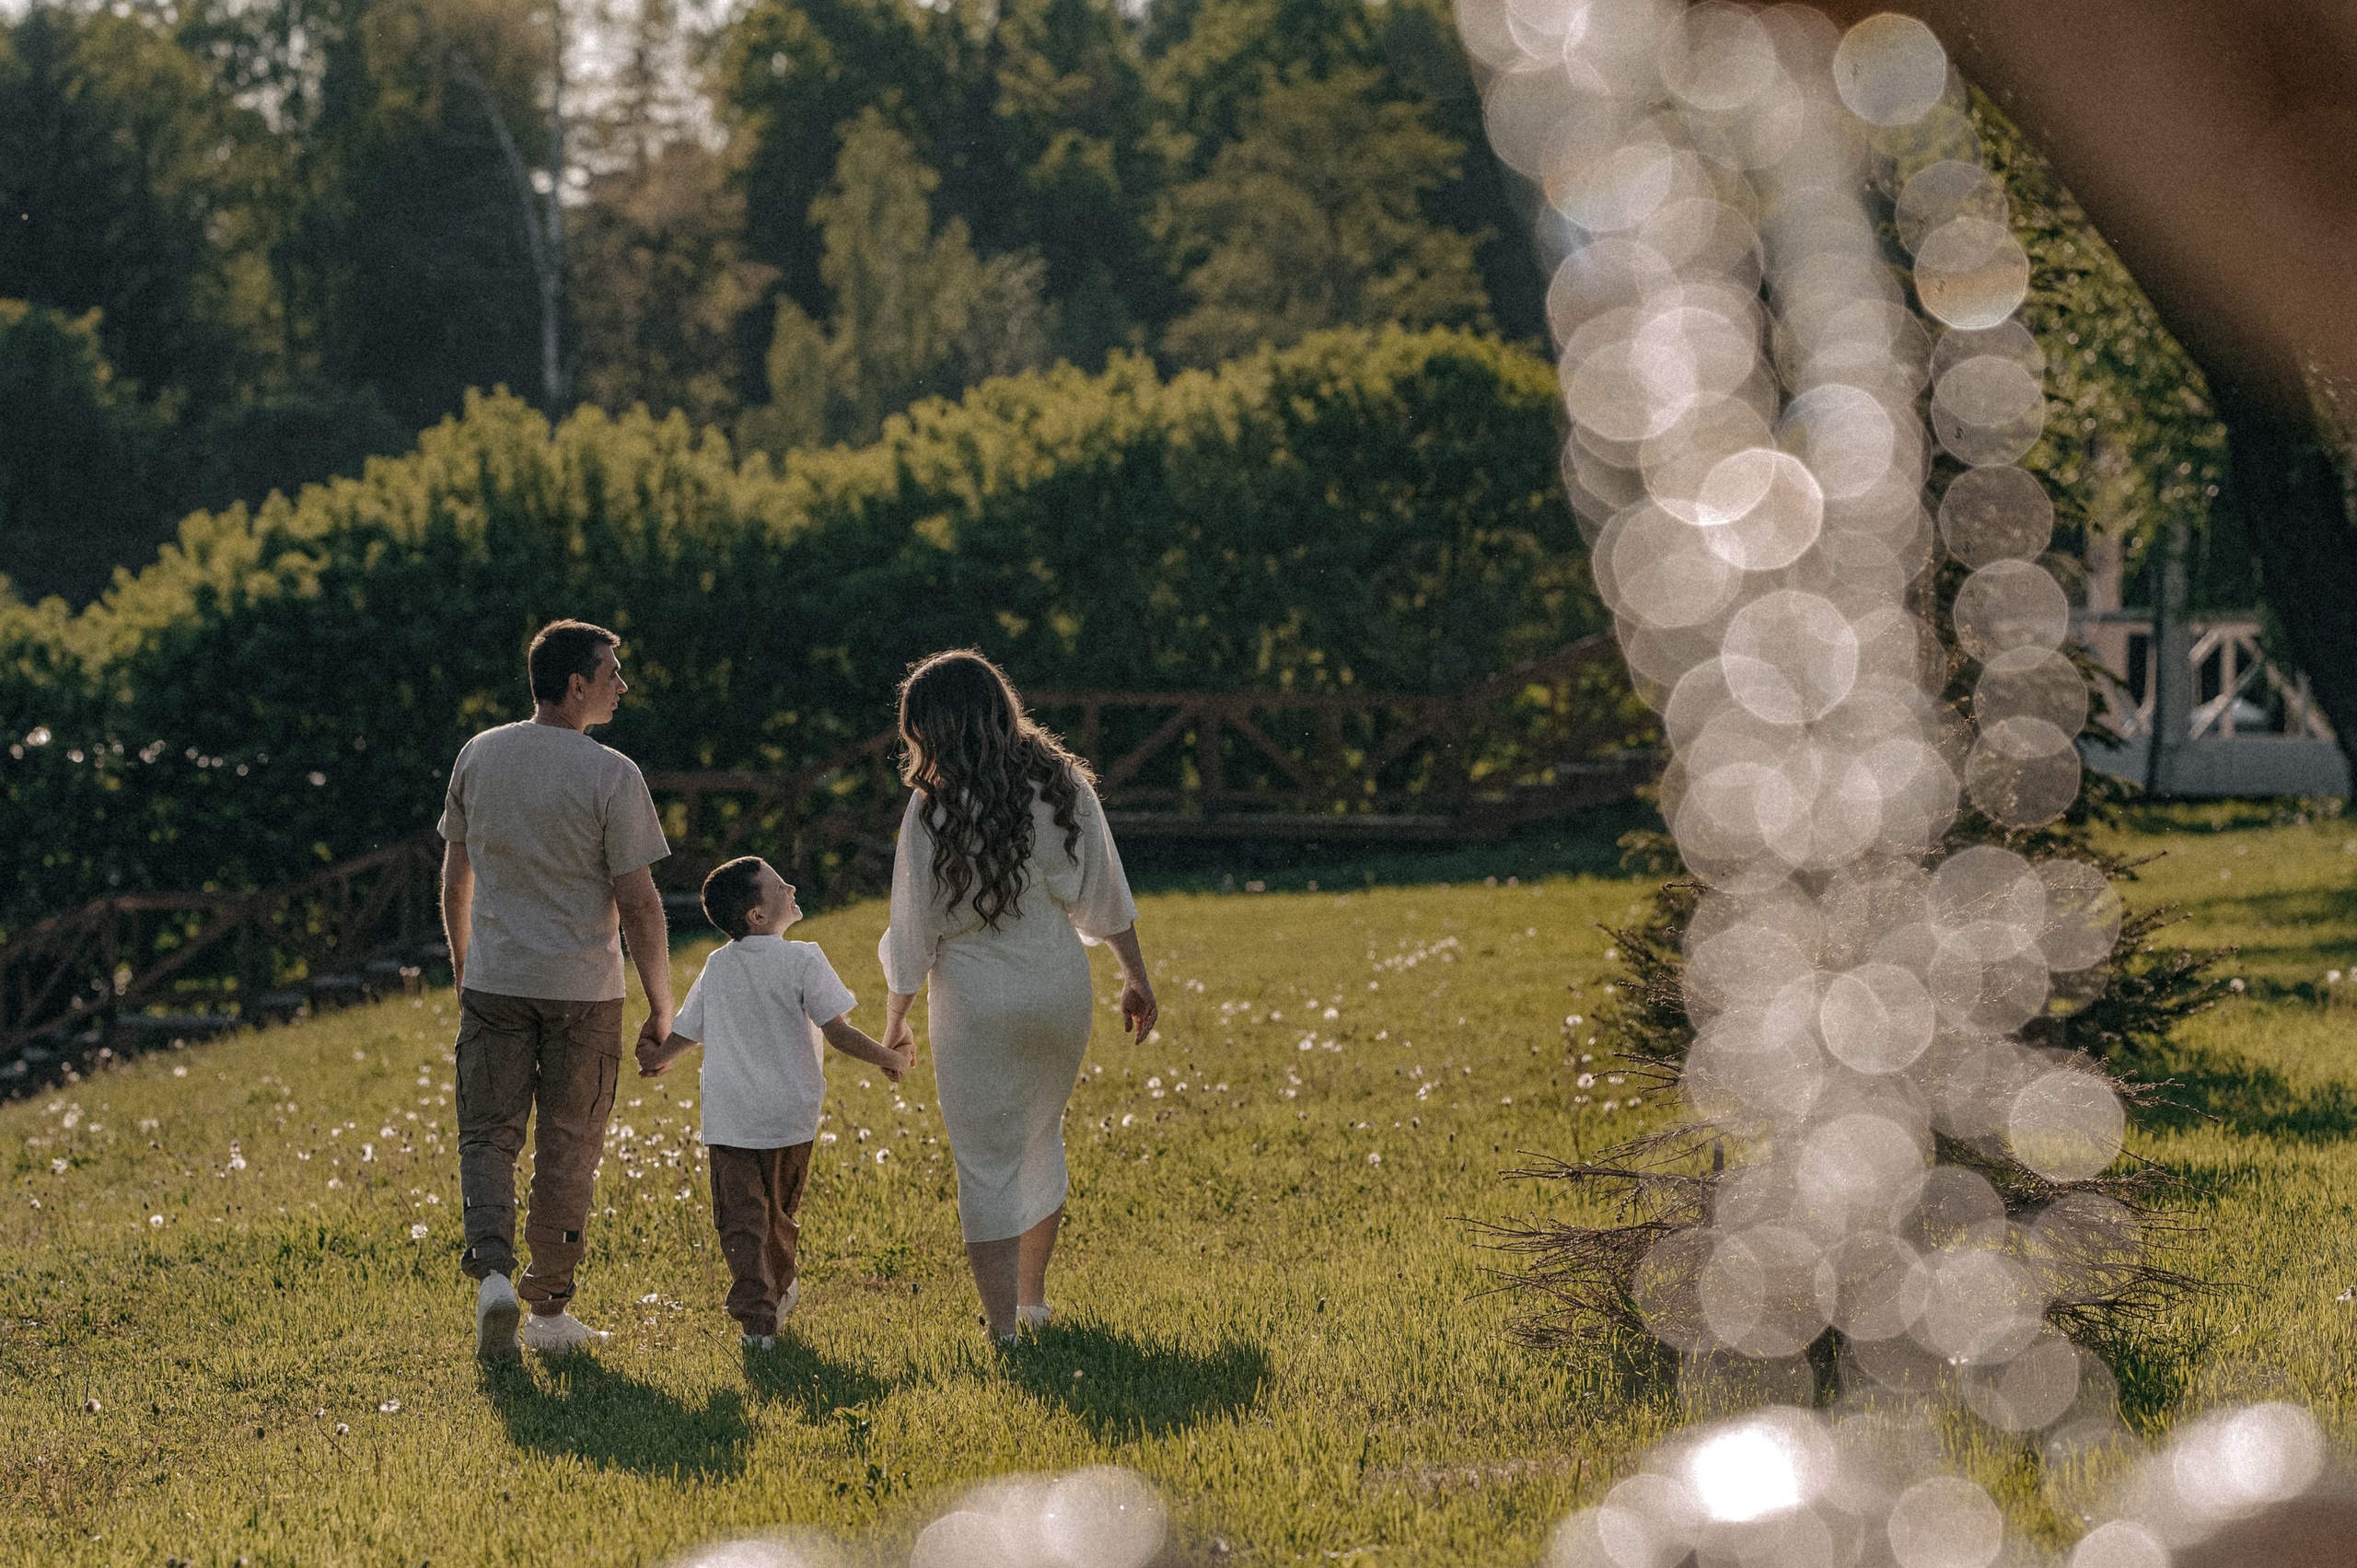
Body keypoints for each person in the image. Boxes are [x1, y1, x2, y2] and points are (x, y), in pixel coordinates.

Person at [877, 650, 1156, 1346]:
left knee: (984, 1160)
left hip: (976, 1000)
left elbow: (912, 930)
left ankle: (1003, 1328)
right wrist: (1136, 977)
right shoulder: (1062, 784)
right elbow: (1105, 892)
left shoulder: (931, 805)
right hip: (1056, 987)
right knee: (1039, 1138)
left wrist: (896, 1021)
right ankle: (1033, 1303)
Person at [439, 619, 674, 1361]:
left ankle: (493, 1279)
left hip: (496, 980)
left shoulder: (478, 754)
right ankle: (549, 1311)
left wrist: (464, 966)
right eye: (613, 673)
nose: (621, 686)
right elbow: (638, 901)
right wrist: (663, 1005)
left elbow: (454, 880)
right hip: (585, 990)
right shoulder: (612, 773)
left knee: (487, 1135)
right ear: (577, 684)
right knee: (569, 1146)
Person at [637, 855, 912, 1348]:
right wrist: (887, 1056)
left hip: (768, 1123)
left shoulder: (772, 961)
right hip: (753, 1121)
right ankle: (758, 1320)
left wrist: (661, 1055)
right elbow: (839, 1034)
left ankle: (777, 1287)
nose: (791, 885)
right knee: (755, 1221)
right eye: (778, 884)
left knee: (764, 1221)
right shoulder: (759, 962)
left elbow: (685, 1033)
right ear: (756, 916)